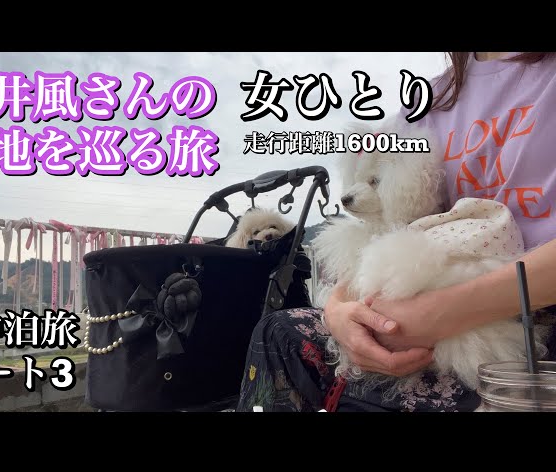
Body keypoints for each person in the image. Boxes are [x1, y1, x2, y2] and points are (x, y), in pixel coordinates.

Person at [235, 52, 556, 412]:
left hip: (533, 312)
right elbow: (386, 225)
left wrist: (441, 314)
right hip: (422, 299)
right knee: (278, 334)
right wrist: (340, 310)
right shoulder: (428, 99)